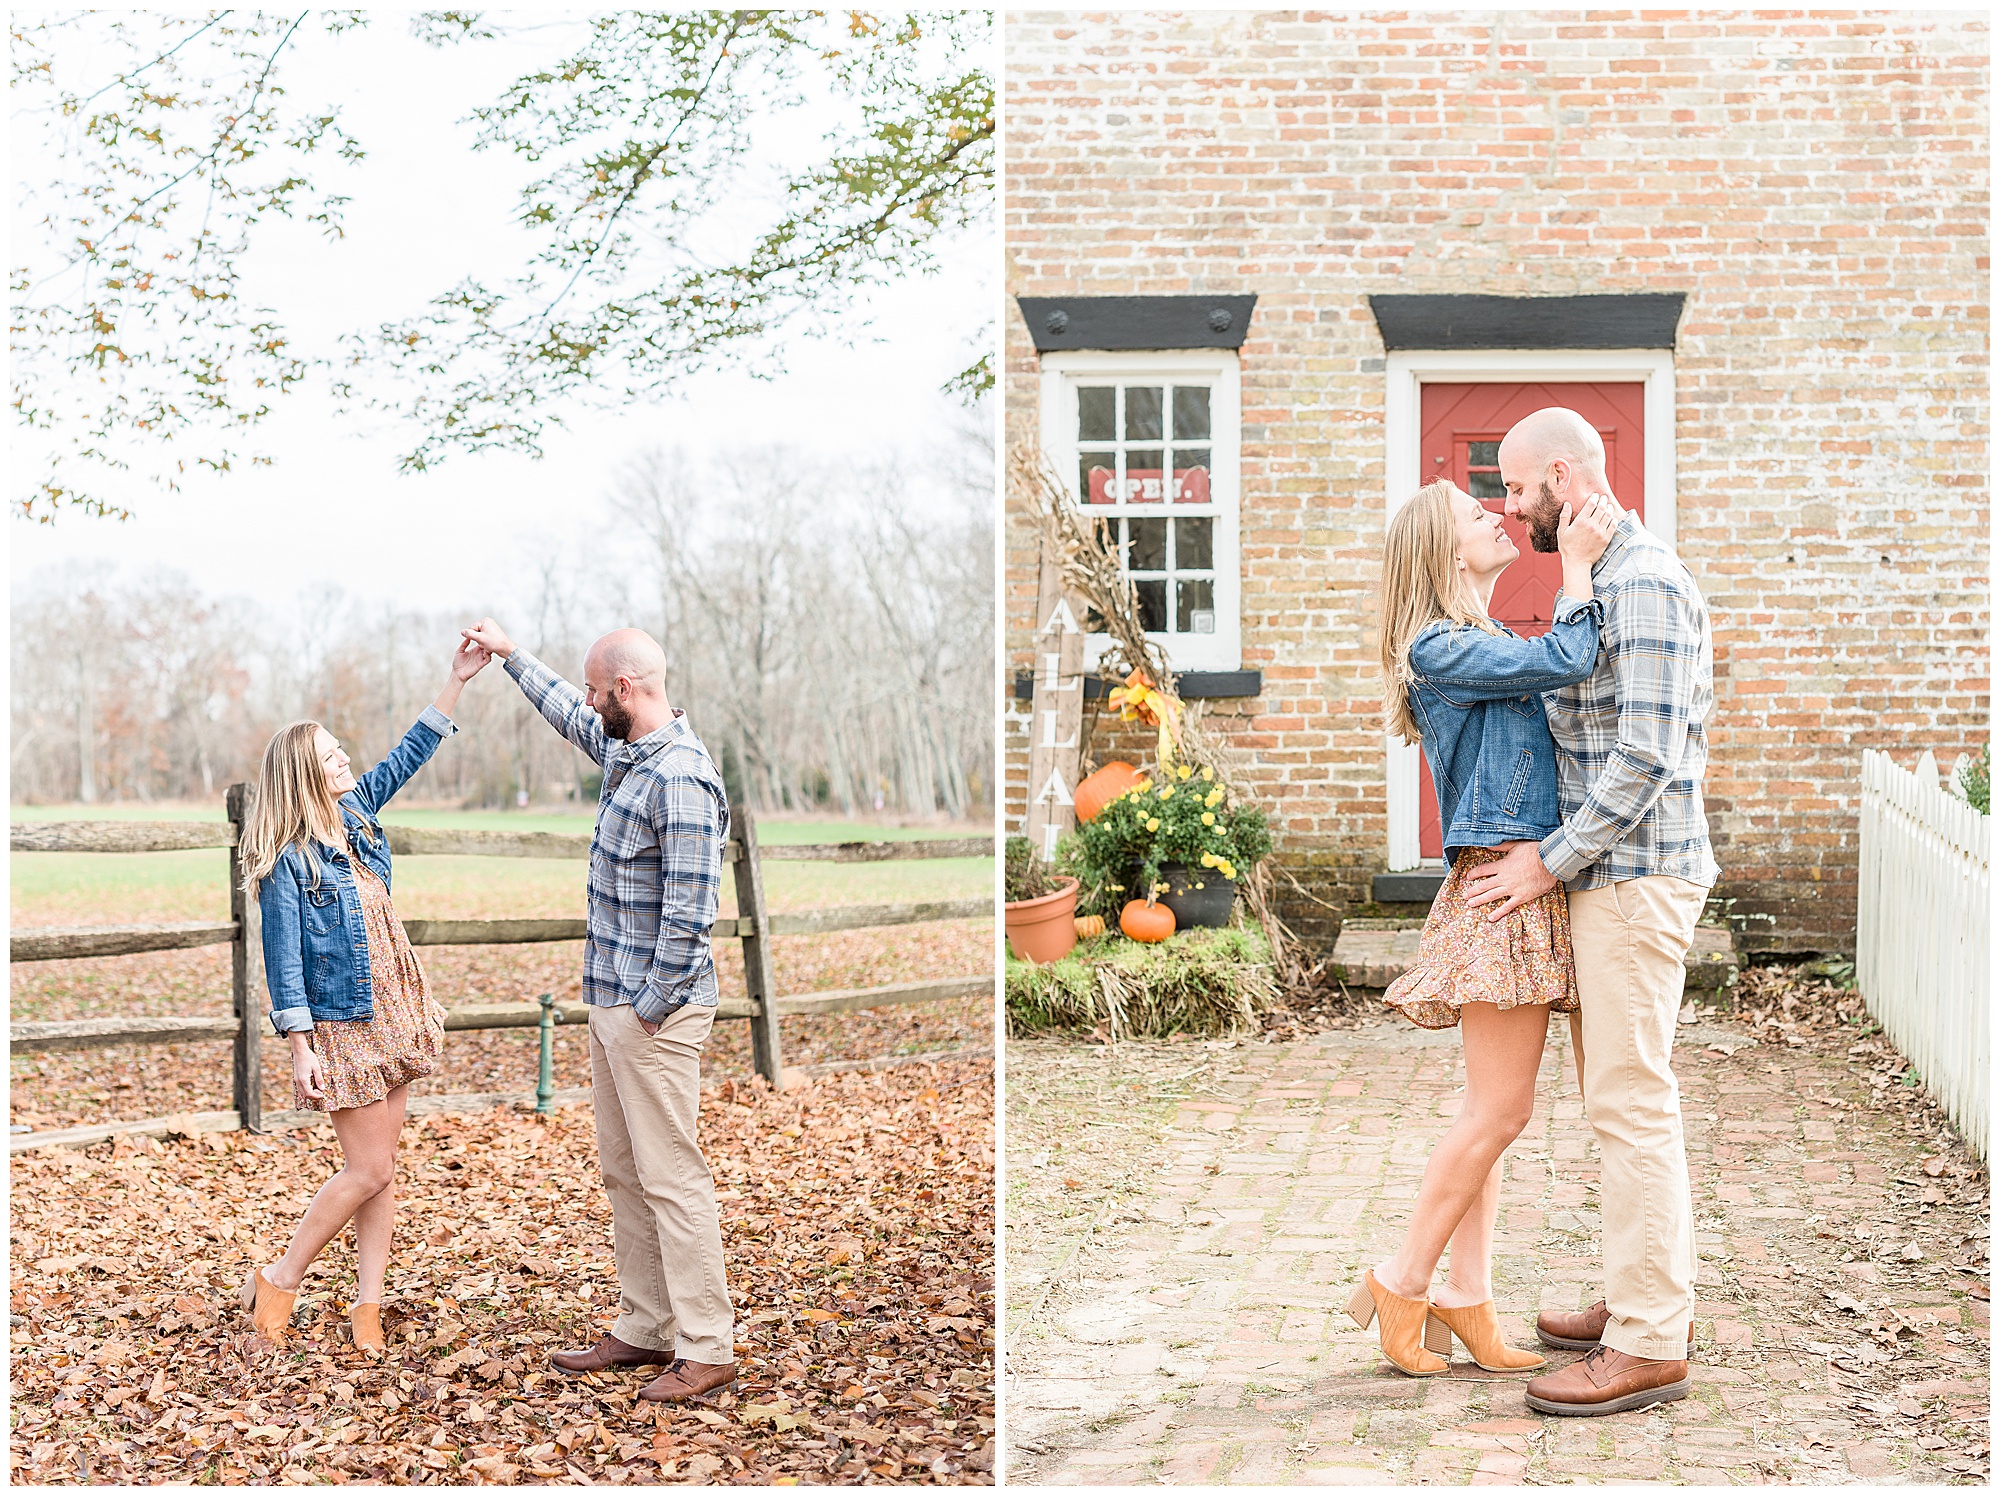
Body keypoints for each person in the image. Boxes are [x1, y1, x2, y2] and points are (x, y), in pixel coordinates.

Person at [1465, 405, 1719, 1418]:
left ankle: (1649, 1338)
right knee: (1620, 1096)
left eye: (1517, 488)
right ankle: (1641, 1294)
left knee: (1628, 1101)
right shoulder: (1599, 580)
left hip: (1632, 876)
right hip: (1604, 879)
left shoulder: (1643, 581)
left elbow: (1647, 756)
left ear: (1561, 479)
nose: (1508, 504)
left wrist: (1549, 862)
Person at [1349, 477, 1620, 1377]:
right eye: (1477, 515)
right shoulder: (1440, 644)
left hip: (1521, 877)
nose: (1498, 517)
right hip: (1502, 881)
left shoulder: (1484, 636)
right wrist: (1579, 568)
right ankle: (1401, 1278)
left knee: (1492, 1114)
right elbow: (1570, 658)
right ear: (1442, 549)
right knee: (1501, 1111)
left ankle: (1465, 1296)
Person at [459, 617, 737, 1406]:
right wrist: (512, 657)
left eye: (593, 685)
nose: (585, 700)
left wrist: (648, 1010)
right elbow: (566, 714)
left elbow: (691, 916)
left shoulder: (680, 776)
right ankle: (646, 1325)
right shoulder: (627, 752)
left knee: (673, 1177)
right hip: (615, 1001)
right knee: (625, 1172)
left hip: (656, 1011)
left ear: (626, 687)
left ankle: (707, 1344)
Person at [236, 638, 491, 1352]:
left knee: (383, 1170)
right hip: (343, 1023)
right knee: (367, 1168)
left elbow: (410, 752)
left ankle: (367, 1307)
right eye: (330, 755)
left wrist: (455, 682)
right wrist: (299, 1046)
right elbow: (282, 962)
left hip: (396, 1008)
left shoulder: (359, 817)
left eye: (341, 748)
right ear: (304, 776)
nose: (346, 759)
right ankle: (280, 1277)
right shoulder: (288, 861)